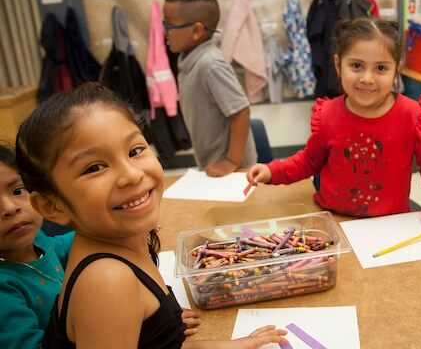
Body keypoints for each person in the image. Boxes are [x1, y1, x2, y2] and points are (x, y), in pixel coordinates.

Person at [15, 83, 287, 348]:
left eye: (135, 151)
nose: (132, 175)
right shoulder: (107, 280)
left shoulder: (126, 242)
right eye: (95, 167)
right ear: (53, 206)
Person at [247, 18, 421, 236]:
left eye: (381, 68)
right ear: (338, 64)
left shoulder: (411, 115)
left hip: (391, 228)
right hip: (334, 225)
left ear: (396, 69)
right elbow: (309, 160)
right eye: (356, 66)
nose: (367, 78)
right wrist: (273, 170)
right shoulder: (327, 114)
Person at [163, 0, 257, 177]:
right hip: (211, 163)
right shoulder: (188, 61)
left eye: (169, 25)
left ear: (196, 31)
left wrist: (231, 160)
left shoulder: (210, 65)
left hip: (234, 169)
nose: (165, 31)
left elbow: (241, 112)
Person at [0, 144, 74, 349]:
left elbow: (66, 245)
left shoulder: (37, 240)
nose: (10, 208)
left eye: (17, 190)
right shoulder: (4, 288)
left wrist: (118, 230)